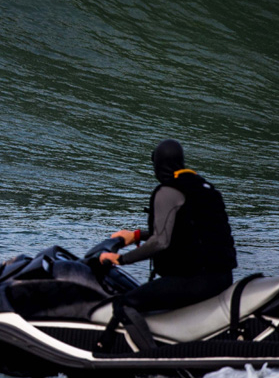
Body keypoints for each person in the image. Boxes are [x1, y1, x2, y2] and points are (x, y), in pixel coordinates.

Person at [96, 139, 237, 349]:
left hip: (195, 281)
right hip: (222, 277)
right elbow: (186, 232)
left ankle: (140, 359)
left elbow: (161, 241)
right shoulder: (203, 187)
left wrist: (121, 259)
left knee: (124, 303)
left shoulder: (168, 191)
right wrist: (135, 235)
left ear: (158, 165)